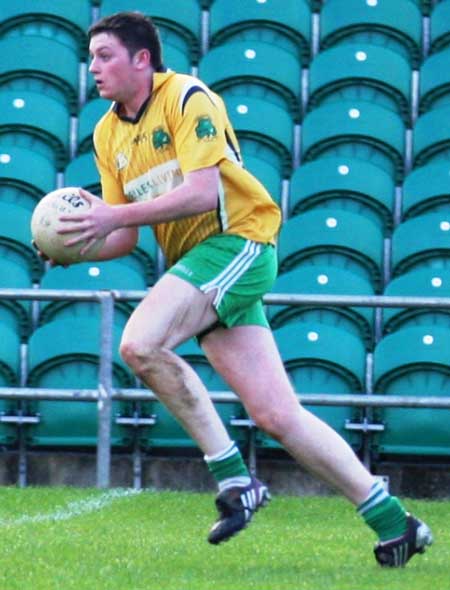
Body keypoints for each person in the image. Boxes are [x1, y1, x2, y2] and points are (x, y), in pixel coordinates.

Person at [49, 11, 431, 565]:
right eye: (91, 58)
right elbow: (126, 233)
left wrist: (109, 217)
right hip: (201, 262)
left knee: (138, 343)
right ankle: (395, 523)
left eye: (105, 55)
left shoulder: (188, 99)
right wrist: (75, 243)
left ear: (142, 59)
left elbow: (204, 194)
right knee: (277, 415)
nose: (94, 68)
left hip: (239, 242)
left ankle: (234, 478)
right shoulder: (108, 131)